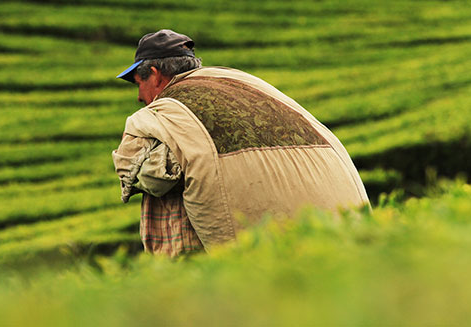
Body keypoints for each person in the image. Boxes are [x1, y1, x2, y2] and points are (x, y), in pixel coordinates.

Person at [112, 29, 370, 257]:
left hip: (239, 253)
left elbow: (136, 170)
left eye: (139, 83)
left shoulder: (169, 109)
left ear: (155, 75)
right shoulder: (240, 84)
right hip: (337, 228)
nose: (138, 96)